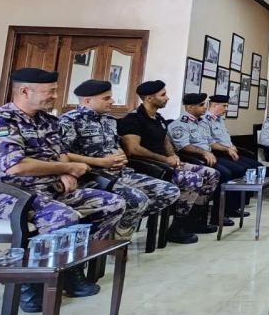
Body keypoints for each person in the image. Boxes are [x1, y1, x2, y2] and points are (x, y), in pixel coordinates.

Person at [0, 68, 125, 311]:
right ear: (24, 91)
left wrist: (66, 172)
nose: (55, 96)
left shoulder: (46, 121)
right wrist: (67, 167)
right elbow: (17, 167)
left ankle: (71, 267)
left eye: (55, 90)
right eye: (50, 92)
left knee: (112, 204)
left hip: (47, 190)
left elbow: (60, 153)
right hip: (1, 194)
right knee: (62, 217)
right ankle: (30, 283)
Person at [60, 79, 181, 240]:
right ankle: (110, 241)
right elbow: (62, 153)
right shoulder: (69, 120)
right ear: (87, 101)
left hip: (120, 172)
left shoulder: (108, 120)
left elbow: (116, 144)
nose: (112, 101)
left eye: (111, 97)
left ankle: (117, 232)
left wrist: (120, 155)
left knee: (169, 192)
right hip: (93, 175)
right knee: (137, 200)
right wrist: (100, 162)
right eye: (106, 98)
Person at [118, 80, 220, 244]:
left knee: (211, 174)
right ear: (149, 98)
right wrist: (165, 159)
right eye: (163, 95)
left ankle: (194, 220)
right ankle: (176, 228)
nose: (167, 98)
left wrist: (173, 156)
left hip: (165, 163)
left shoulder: (158, 118)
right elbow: (133, 149)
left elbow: (165, 140)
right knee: (192, 179)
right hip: (148, 166)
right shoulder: (133, 119)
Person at [169, 92, 249, 223]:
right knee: (225, 173)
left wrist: (226, 148)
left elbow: (211, 142)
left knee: (235, 170)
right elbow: (183, 146)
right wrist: (204, 153)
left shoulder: (200, 123)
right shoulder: (179, 124)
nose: (205, 107)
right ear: (189, 107)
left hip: (208, 156)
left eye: (205, 104)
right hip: (193, 159)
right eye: (201, 105)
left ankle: (226, 210)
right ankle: (217, 216)